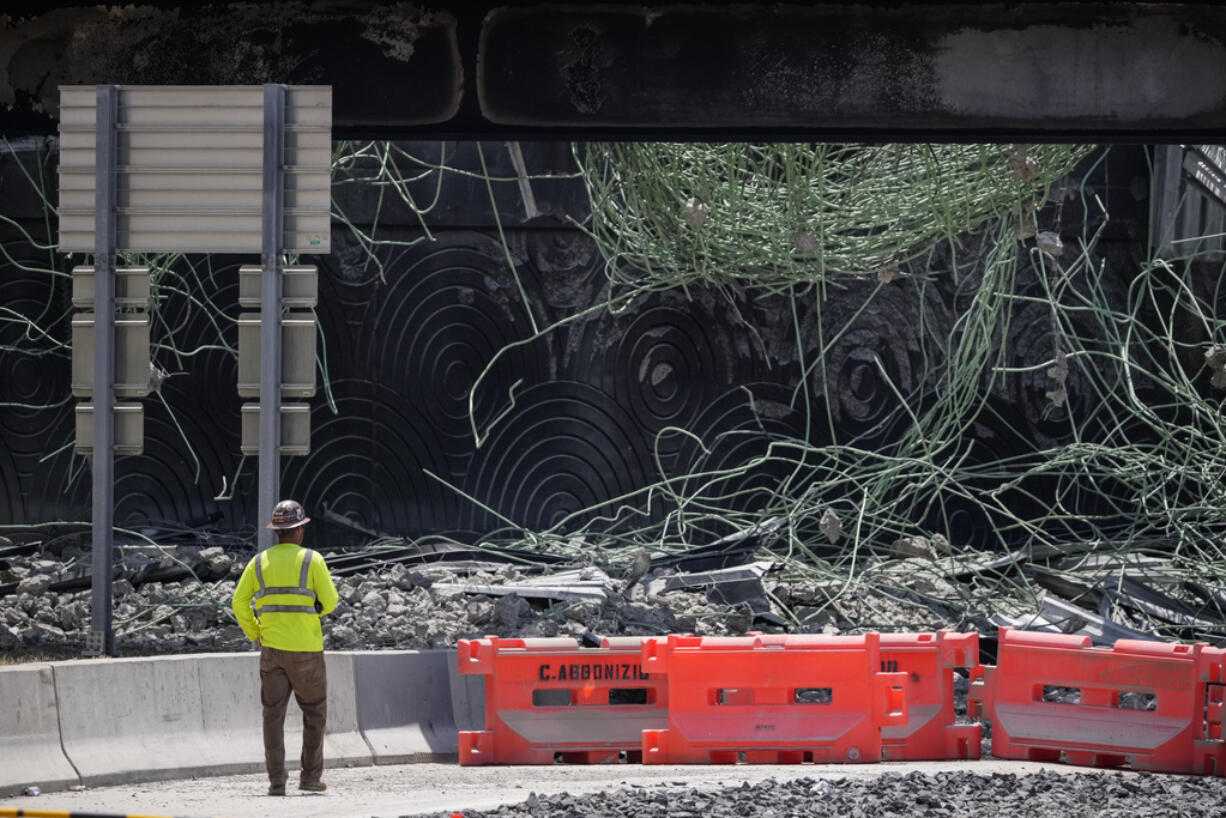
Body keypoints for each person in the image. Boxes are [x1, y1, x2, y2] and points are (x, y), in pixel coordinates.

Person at [231, 499, 339, 796]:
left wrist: (256, 632)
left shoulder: (258, 563)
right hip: (307, 651)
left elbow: (238, 603)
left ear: (276, 532)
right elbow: (330, 602)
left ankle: (277, 782)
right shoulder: (312, 560)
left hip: (272, 651)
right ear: (300, 530)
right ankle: (310, 777)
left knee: (273, 715)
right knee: (314, 713)